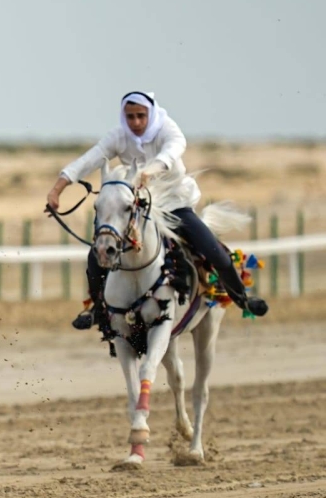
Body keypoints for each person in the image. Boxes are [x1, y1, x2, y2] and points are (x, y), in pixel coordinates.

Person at [47, 91, 268, 329]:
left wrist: (151, 171)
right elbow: (88, 160)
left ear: (151, 113)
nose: (136, 122)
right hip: (140, 207)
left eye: (141, 116)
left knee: (213, 251)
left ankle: (242, 298)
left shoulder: (167, 128)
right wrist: (57, 190)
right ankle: (97, 309)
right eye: (130, 117)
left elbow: (172, 151)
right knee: (97, 252)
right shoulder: (118, 136)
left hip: (174, 205)